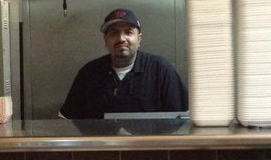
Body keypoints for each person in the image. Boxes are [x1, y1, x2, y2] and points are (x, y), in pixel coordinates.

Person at [59, 8, 188, 119]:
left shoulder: (161, 70)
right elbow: (67, 122)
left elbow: (181, 120)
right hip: (101, 147)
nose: (121, 39)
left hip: (150, 147)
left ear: (139, 39)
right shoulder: (89, 74)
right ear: (106, 40)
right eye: (114, 33)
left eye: (128, 32)